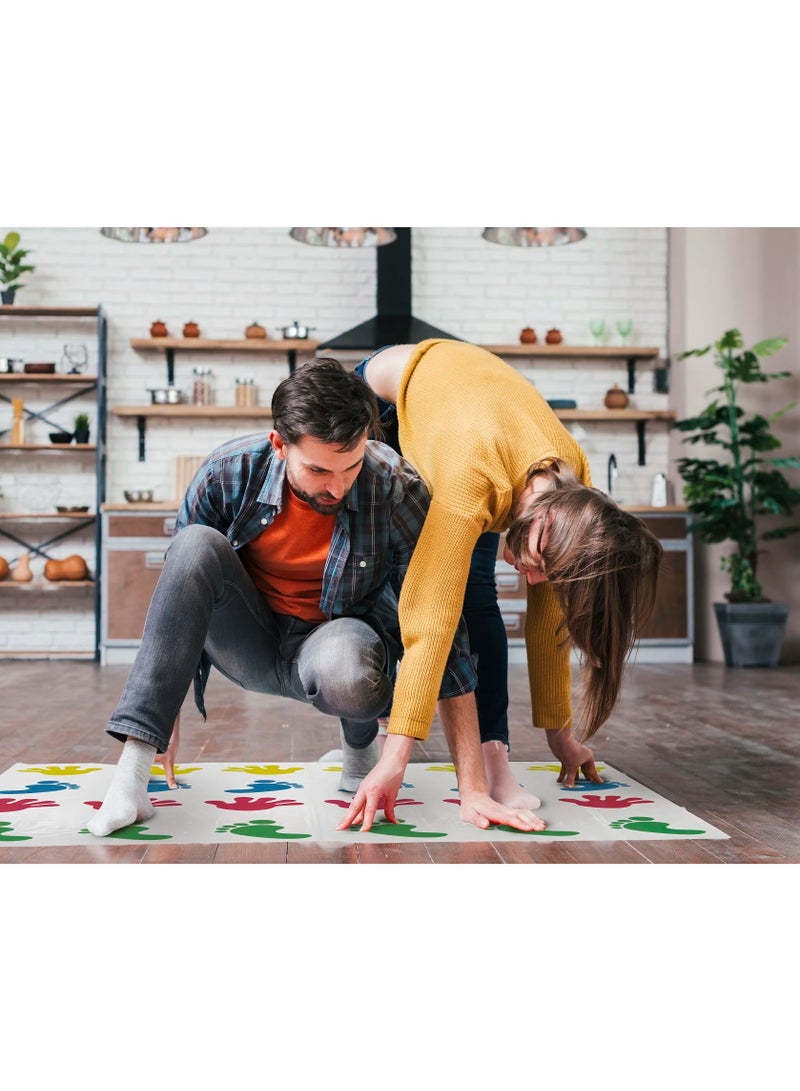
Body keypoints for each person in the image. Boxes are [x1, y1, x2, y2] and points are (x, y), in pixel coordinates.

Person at [88, 358, 541, 838]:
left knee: (353, 663)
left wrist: (472, 788)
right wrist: (163, 718)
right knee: (194, 544)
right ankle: (130, 780)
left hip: (333, 642)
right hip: (249, 640)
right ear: (279, 445)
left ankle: (359, 752)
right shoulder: (226, 473)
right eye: (319, 469)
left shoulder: (393, 485)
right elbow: (178, 595)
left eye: (351, 466)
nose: (337, 486)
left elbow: (440, 627)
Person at [338, 338, 663, 833]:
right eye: (537, 564)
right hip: (383, 402)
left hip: (474, 421)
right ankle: (370, 740)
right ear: (543, 520)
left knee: (479, 597)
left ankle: (493, 759)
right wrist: (398, 761)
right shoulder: (473, 479)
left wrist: (561, 736)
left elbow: (549, 617)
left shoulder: (573, 490)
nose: (530, 579)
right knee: (385, 578)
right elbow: (431, 615)